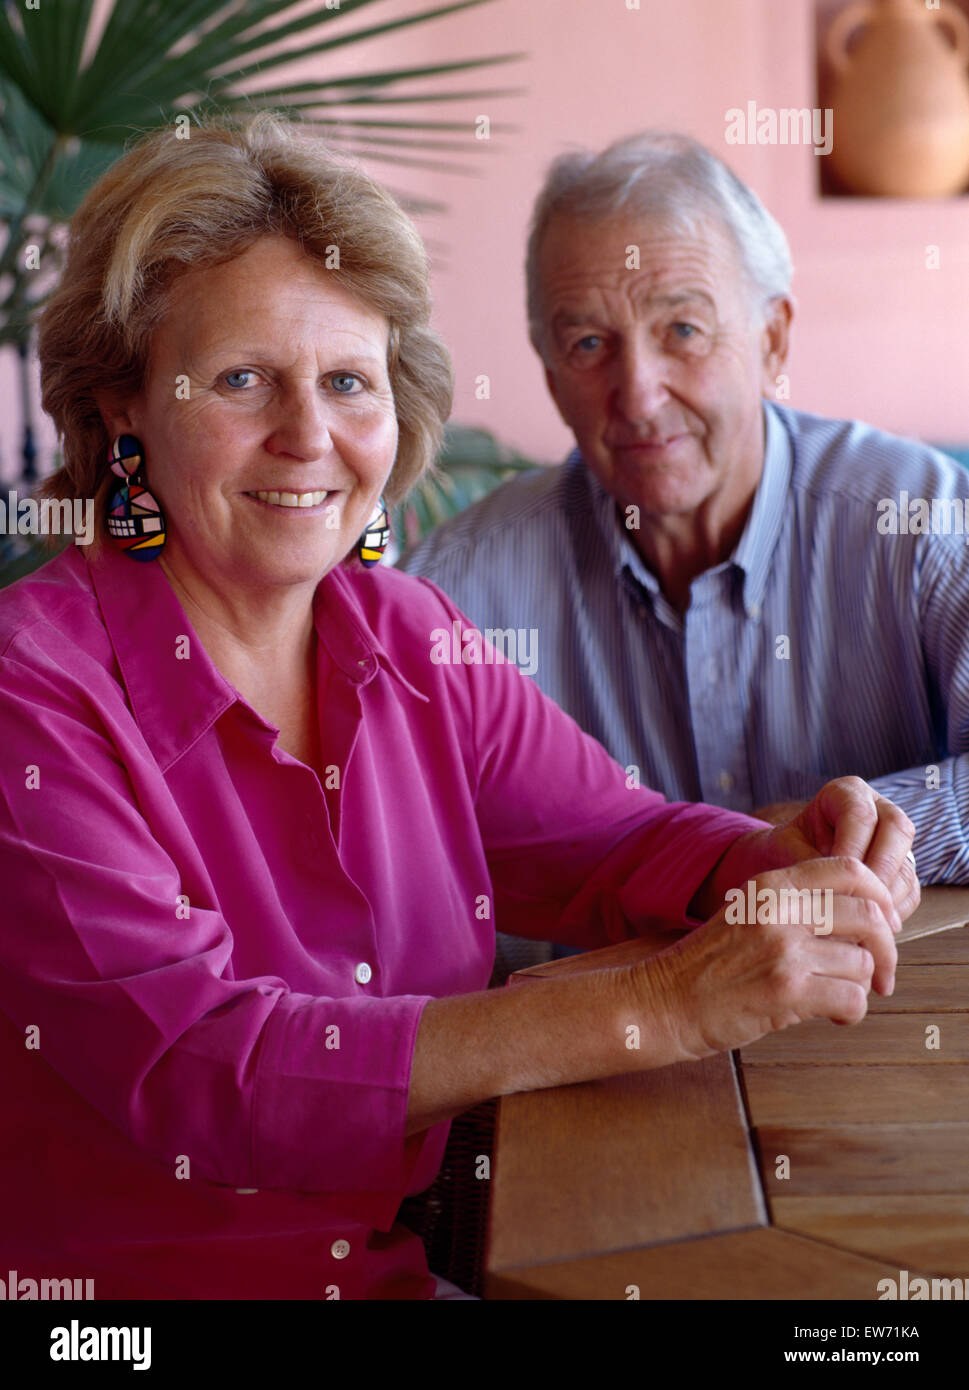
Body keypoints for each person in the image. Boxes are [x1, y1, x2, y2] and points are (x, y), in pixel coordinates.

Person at [0, 115, 917, 1303]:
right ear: (124, 402)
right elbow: (205, 1068)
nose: (309, 436)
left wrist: (774, 857)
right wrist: (663, 1003)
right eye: (243, 380)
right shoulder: (33, 691)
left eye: (347, 382)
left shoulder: (408, 635)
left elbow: (618, 841)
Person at [403, 131, 969, 888]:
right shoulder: (455, 591)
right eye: (589, 343)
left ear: (771, 340)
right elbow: (393, 862)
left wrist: (835, 842)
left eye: (682, 330)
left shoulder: (920, 520)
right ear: (548, 372)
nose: (638, 395)